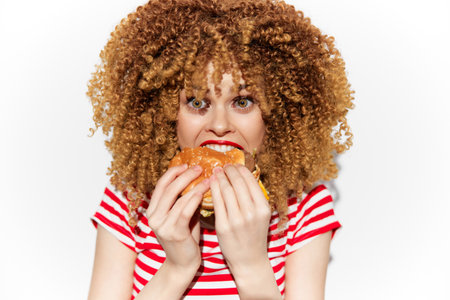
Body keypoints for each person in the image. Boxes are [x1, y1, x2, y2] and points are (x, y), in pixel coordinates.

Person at [86, 0, 354, 299]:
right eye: (198, 102)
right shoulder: (129, 202)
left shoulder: (304, 208)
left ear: (275, 114)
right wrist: (177, 267)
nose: (220, 124)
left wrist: (250, 265)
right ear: (165, 113)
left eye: (242, 102)